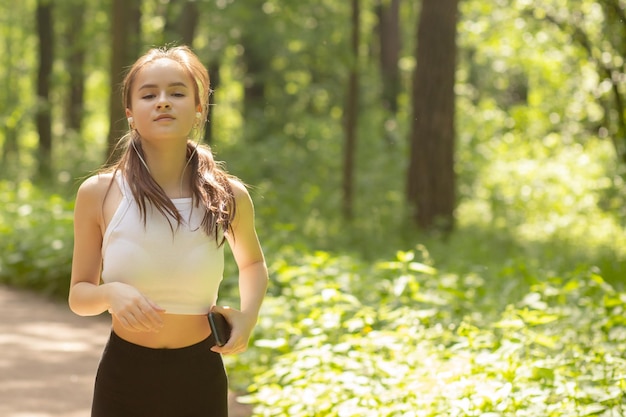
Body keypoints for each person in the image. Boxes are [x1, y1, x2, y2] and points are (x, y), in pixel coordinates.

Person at [69, 45, 269, 417]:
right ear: (130, 112)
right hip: (123, 376)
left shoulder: (228, 194)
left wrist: (249, 315)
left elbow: (253, 264)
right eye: (149, 94)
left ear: (198, 108)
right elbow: (79, 296)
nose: (163, 102)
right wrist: (111, 293)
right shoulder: (99, 193)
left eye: (177, 93)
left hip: (200, 373)